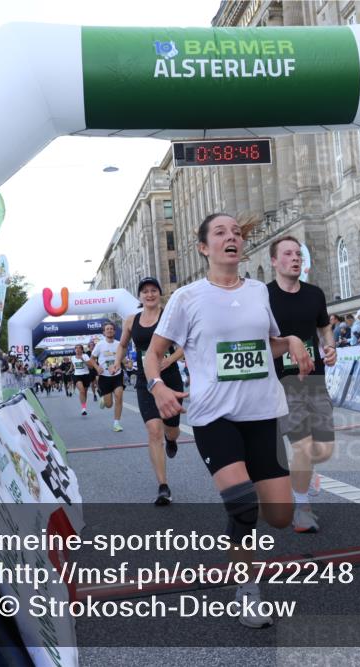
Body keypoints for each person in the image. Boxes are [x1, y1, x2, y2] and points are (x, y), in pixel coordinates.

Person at [146, 213, 314, 628]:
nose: (231, 237)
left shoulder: (258, 291)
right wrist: (158, 386)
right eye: (220, 233)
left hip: (263, 413)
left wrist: (291, 341)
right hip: (213, 416)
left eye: (236, 232)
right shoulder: (187, 298)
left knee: (278, 515)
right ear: (204, 248)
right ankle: (248, 590)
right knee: (243, 506)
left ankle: (240, 517)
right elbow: (153, 353)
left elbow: (266, 346)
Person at [266, 236, 338, 533]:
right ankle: (302, 509)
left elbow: (323, 326)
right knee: (303, 446)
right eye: (288, 254)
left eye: (298, 254)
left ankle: (304, 474)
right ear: (274, 261)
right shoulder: (263, 296)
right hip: (282, 382)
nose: (295, 258)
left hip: (315, 380)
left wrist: (329, 346)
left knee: (324, 450)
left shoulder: (315, 294)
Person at [114, 276, 186, 506]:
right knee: (153, 429)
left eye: (154, 290)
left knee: (170, 430)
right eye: (145, 291)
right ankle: (163, 486)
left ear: (159, 293)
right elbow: (123, 344)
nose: (150, 294)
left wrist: (168, 360)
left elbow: (185, 343)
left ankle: (171, 438)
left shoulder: (170, 316)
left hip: (171, 376)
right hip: (146, 379)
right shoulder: (130, 320)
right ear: (140, 296)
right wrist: (118, 361)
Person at [89, 322, 125, 432]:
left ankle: (116, 423)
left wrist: (127, 362)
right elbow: (92, 359)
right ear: (104, 332)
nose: (109, 330)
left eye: (111, 329)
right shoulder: (100, 345)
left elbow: (122, 358)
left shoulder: (119, 344)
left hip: (117, 375)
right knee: (109, 405)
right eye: (107, 329)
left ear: (114, 331)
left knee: (119, 396)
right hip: (104, 377)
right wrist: (97, 367)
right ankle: (104, 400)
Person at [70, 345, 91, 414]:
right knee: (81, 391)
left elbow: (90, 366)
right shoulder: (72, 357)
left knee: (84, 392)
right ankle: (83, 409)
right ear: (75, 350)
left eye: (79, 348)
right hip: (77, 375)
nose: (78, 350)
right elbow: (72, 367)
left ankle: (84, 406)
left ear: (82, 350)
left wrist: (83, 360)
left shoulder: (85, 356)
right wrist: (68, 372)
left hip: (86, 375)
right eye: (76, 349)